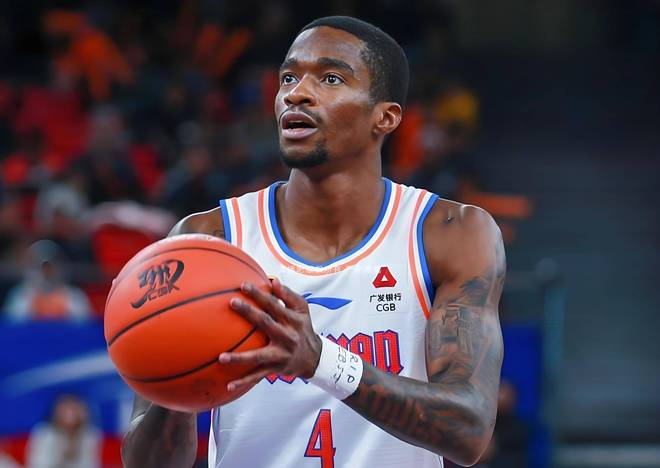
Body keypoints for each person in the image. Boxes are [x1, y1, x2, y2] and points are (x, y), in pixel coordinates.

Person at [122, 16, 505, 468]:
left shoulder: (449, 233)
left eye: (330, 78)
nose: (297, 93)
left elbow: (469, 430)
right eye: (288, 77)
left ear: (385, 117)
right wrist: (176, 381)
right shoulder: (209, 240)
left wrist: (321, 362)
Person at [26, 394, 101, 468]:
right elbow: (37, 464)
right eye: (66, 409)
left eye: (74, 409)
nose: (70, 413)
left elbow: (91, 464)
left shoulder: (90, 434)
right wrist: (60, 451)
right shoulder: (44, 432)